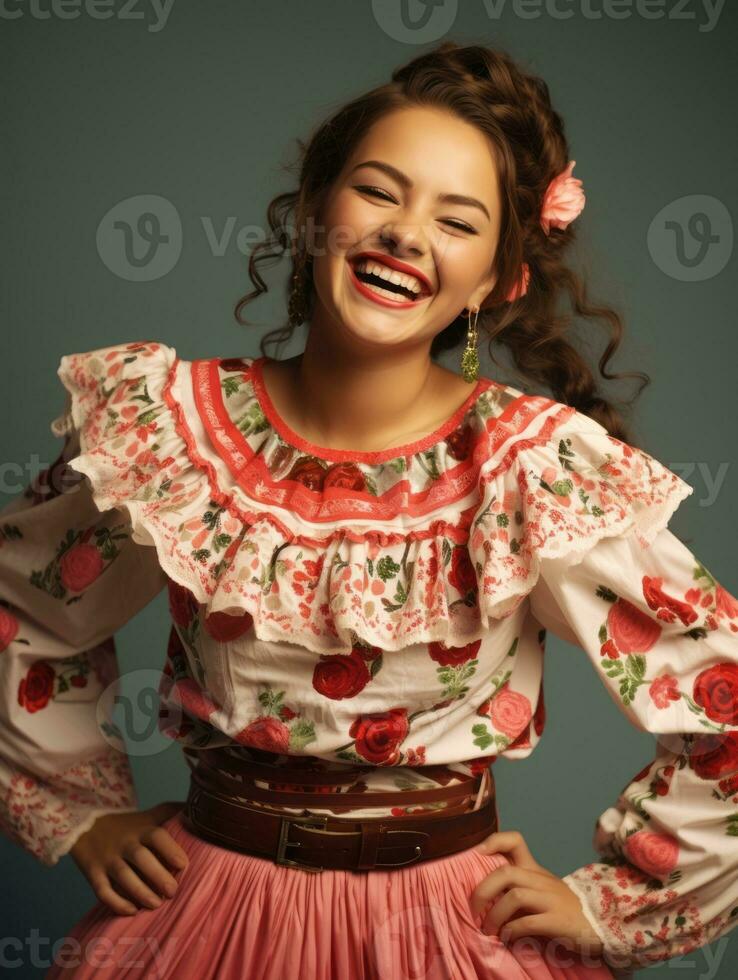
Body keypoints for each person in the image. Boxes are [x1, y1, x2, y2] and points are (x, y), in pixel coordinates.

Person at [1, 41, 736, 980]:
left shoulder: (529, 468)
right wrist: (83, 814)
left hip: (446, 932)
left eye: (458, 220)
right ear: (315, 210)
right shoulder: (174, 429)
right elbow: (22, 602)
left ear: (498, 282)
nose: (407, 233)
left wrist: (615, 902)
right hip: (205, 919)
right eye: (380, 192)